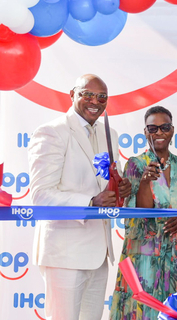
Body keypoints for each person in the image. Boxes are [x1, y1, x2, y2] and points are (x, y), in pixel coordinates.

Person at [28, 74, 132, 320]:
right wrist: (90, 202)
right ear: (72, 95)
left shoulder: (110, 134)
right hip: (65, 254)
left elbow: (103, 184)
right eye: (87, 94)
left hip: (99, 254)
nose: (95, 100)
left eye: (102, 97)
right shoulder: (52, 132)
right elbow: (41, 195)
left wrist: (119, 192)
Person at [110, 106, 177, 320]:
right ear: (145, 132)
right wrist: (144, 183)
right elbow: (138, 214)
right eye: (153, 128)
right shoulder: (135, 164)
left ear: (172, 130)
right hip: (144, 258)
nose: (159, 133)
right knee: (143, 313)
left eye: (164, 127)